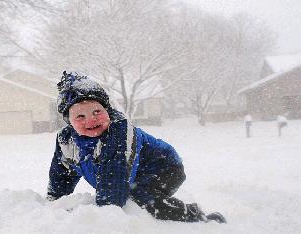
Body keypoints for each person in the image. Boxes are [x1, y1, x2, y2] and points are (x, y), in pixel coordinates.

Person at [47, 71, 226, 223]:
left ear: (107, 110)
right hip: (128, 174)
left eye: (97, 112)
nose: (91, 120)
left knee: (141, 198)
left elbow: (114, 182)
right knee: (129, 195)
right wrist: (53, 205)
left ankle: (197, 218)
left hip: (164, 166)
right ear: (68, 121)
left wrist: (105, 217)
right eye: (80, 116)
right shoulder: (66, 141)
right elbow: (61, 175)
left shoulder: (119, 130)